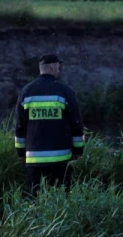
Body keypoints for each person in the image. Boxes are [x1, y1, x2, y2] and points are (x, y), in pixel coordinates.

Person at [15, 53, 84, 197]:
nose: (60, 70)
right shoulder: (65, 91)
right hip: (60, 157)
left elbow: (20, 126)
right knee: (61, 198)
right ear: (52, 67)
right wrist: (78, 151)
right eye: (59, 66)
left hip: (33, 158)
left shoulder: (26, 91)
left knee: (35, 198)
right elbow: (76, 124)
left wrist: (21, 153)